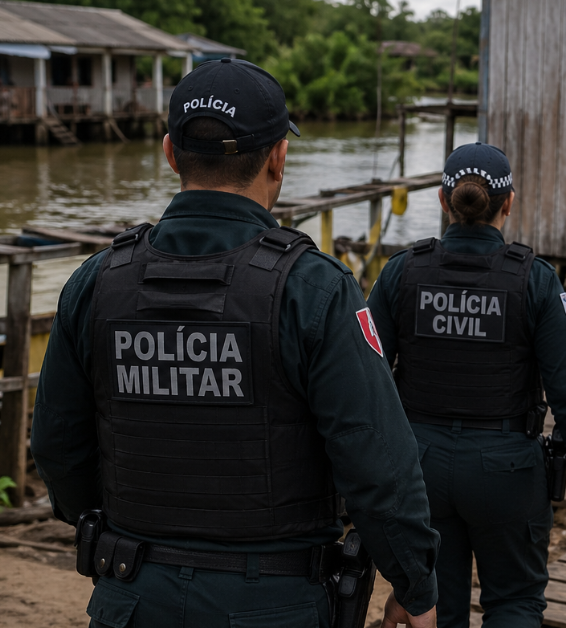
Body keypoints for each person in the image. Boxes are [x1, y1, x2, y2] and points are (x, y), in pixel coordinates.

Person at [30, 59, 438, 628]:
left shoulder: (95, 282)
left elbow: (56, 445)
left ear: (171, 154)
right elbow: (377, 464)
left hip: (130, 596)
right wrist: (415, 585)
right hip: (275, 602)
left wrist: (122, 525)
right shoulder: (313, 289)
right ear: (278, 158)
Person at [367, 142, 566, 628]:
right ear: (509, 203)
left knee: (436, 603)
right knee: (515, 602)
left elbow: (364, 378)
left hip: (420, 468)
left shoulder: (401, 272)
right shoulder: (534, 280)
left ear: (443, 200)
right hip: (508, 470)